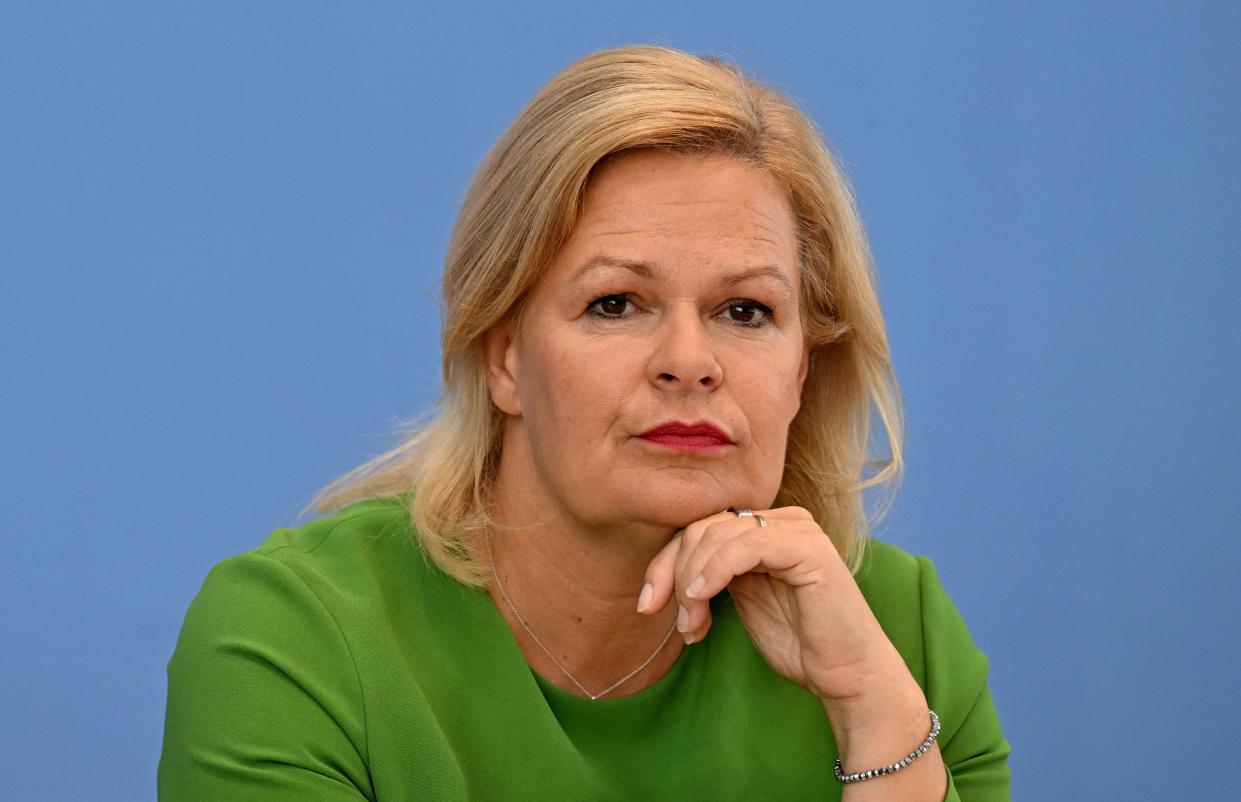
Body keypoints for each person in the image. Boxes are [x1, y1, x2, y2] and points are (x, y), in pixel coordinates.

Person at [158, 44, 1011, 801]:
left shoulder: (899, 637)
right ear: (503, 358)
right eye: (615, 303)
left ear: (803, 366)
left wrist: (879, 726)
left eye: (745, 311)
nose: (690, 360)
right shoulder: (297, 637)